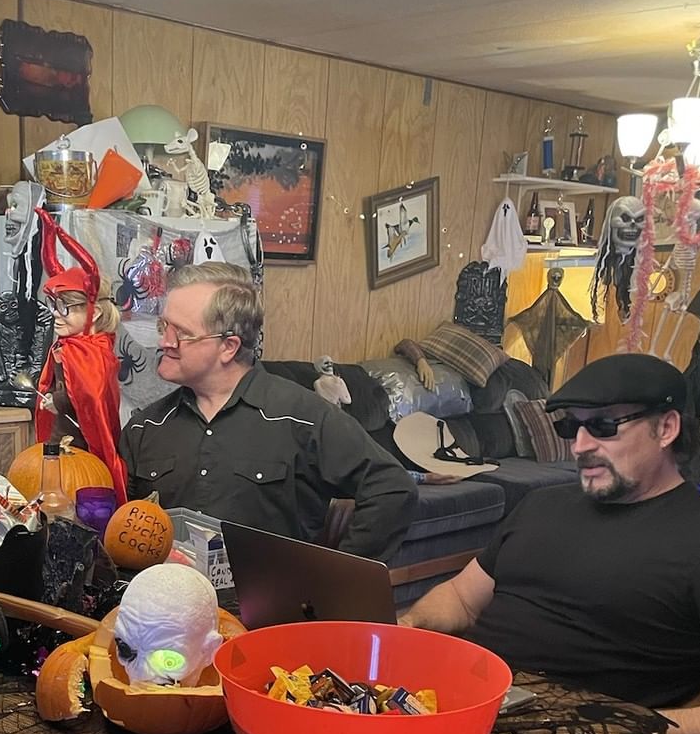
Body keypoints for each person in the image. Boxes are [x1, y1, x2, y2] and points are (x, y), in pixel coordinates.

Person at [400, 353, 700, 734]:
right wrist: (408, 626)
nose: (580, 446)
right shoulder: (540, 504)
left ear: (666, 428)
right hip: (458, 707)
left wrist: (629, 732)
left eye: (603, 426)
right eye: (571, 426)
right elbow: (461, 599)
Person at [119, 264, 417, 562]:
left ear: (228, 346)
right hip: (166, 589)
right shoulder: (145, 427)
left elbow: (392, 489)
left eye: (182, 333)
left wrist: (335, 575)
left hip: (272, 593)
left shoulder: (303, 418)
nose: (165, 342)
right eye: (164, 327)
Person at [34, 209, 127, 503]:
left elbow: (91, 396)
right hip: (60, 441)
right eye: (53, 306)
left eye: (65, 308)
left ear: (94, 312)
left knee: (76, 497)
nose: (55, 315)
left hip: (82, 450)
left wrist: (57, 401)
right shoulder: (70, 346)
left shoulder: (94, 353)